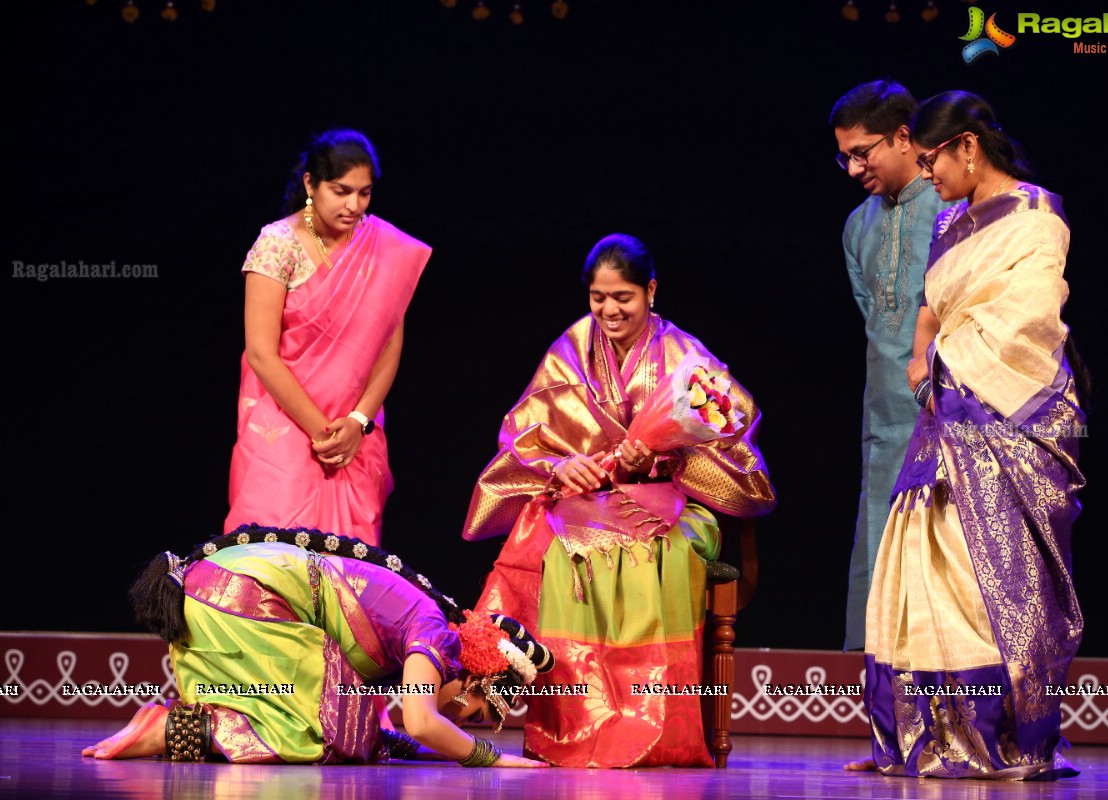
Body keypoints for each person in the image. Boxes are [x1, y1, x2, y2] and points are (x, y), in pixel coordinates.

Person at [462, 233, 776, 768]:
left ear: (651, 291)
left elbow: (731, 439)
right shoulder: (572, 347)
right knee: (556, 545)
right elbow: (524, 432)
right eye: (598, 298)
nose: (609, 310)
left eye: (623, 298)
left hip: (675, 504)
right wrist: (562, 465)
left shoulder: (683, 354)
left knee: (656, 554)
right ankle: (572, 718)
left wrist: (659, 459)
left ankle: (655, 725)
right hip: (590, 501)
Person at [850, 91, 1086, 780]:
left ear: (968, 148)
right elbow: (932, 302)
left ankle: (995, 736)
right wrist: (922, 356)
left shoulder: (1038, 217)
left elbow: (1030, 320)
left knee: (990, 583)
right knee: (920, 568)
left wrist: (952, 365)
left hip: (1014, 417)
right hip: (945, 415)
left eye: (932, 161)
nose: (928, 176)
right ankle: (927, 735)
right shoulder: (951, 221)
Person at [82, 524, 551, 767]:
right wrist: (495, 759)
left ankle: (176, 724)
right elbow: (421, 723)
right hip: (244, 595)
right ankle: (166, 731)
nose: (458, 721)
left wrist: (439, 747)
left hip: (214, 593)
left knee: (350, 733)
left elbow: (387, 735)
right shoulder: (433, 632)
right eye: (471, 713)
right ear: (475, 674)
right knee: (319, 737)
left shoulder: (425, 640)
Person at [226, 130, 430, 547]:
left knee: (350, 570)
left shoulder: (382, 249)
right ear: (309, 184)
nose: (354, 206)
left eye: (364, 193)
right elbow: (262, 354)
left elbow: (389, 347)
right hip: (283, 426)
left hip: (355, 434)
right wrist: (323, 432)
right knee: (274, 556)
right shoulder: (277, 245)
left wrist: (357, 423)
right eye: (341, 191)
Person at [831, 80, 954, 651]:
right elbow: (875, 321)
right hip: (884, 419)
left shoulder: (953, 205)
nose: (854, 169)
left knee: (948, 563)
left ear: (905, 137)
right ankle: (884, 723)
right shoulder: (857, 227)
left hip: (955, 413)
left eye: (863, 151)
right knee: (881, 551)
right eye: (844, 156)